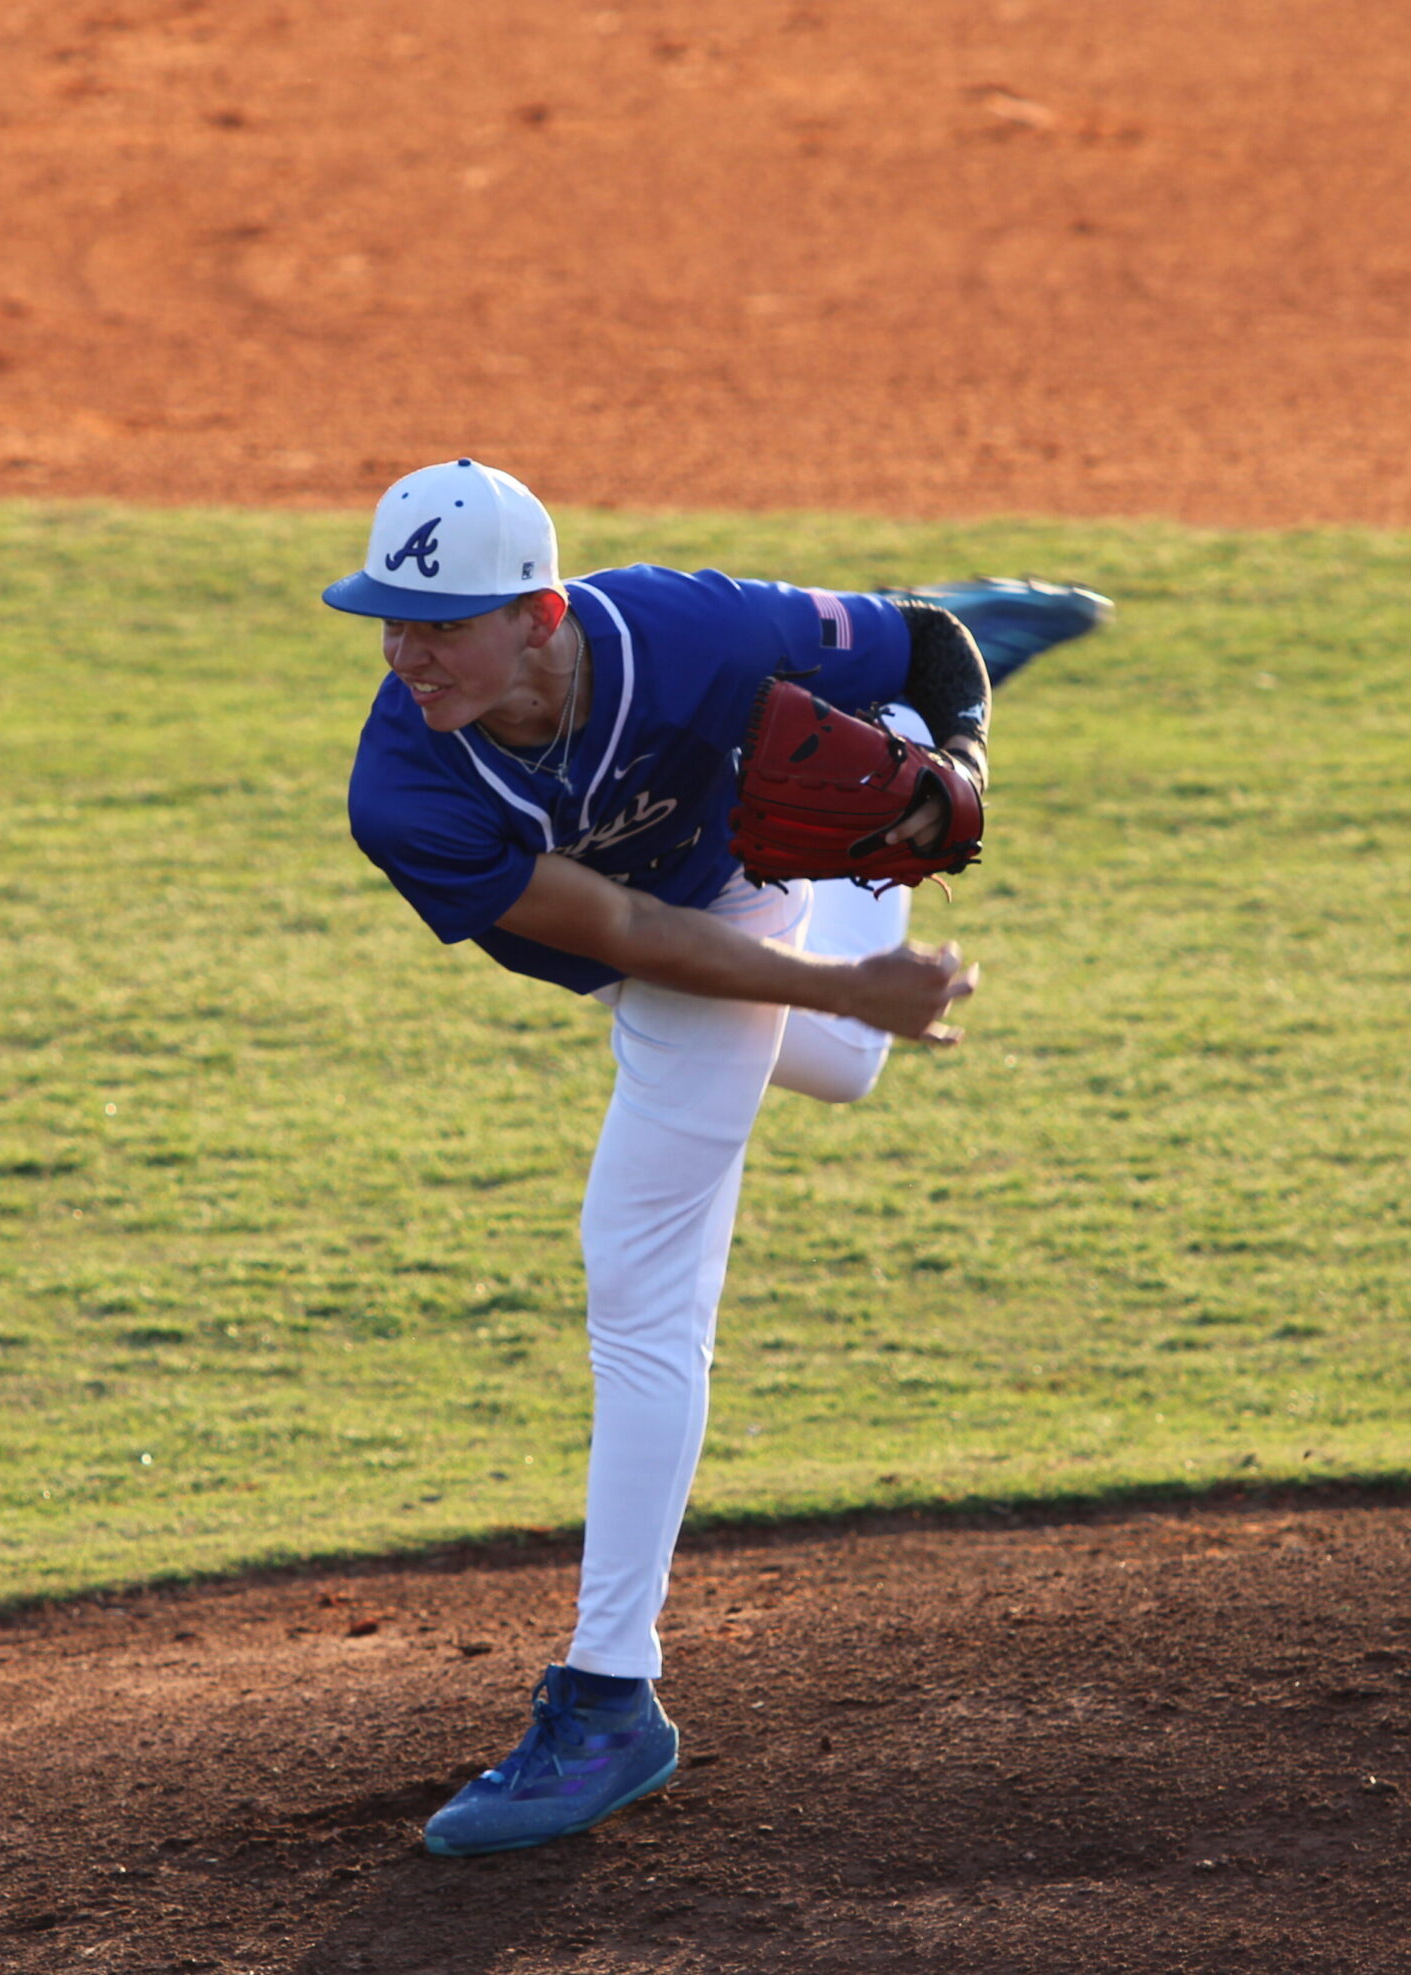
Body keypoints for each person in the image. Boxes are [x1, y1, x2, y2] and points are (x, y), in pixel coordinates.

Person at [324, 459, 1108, 1857]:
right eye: (391, 617)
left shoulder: (681, 629)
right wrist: (848, 992)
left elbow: (929, 636)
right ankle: (857, 995)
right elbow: (622, 938)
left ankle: (610, 1698)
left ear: (542, 614)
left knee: (636, 1273)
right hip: (662, 934)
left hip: (739, 882)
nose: (406, 651)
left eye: (439, 624)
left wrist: (949, 747)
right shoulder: (404, 790)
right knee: (835, 1052)